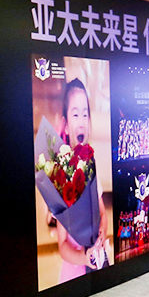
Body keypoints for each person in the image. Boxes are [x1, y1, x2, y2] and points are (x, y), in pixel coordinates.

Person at [55, 78, 108, 282]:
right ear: (66, 125)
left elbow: (102, 213)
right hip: (75, 271)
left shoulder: (91, 165)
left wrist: (102, 230)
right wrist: (84, 258)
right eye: (76, 114)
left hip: (98, 263)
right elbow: (62, 245)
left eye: (85, 114)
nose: (81, 121)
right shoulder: (61, 175)